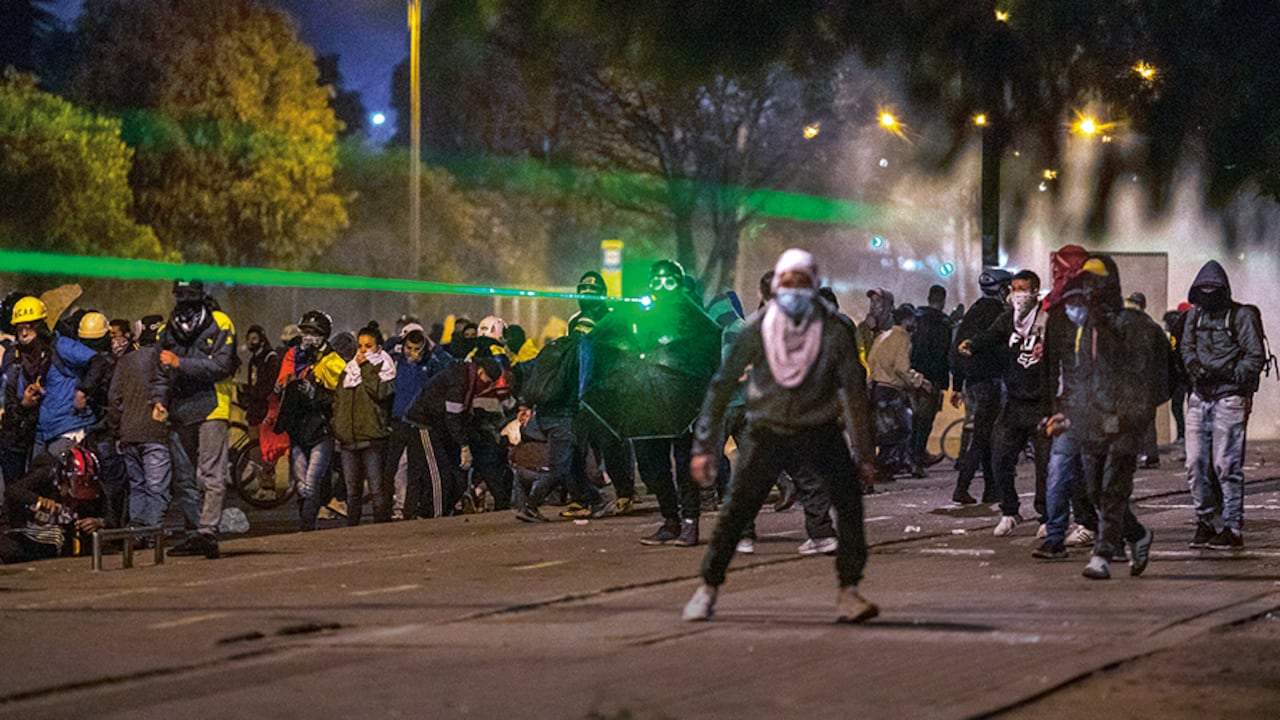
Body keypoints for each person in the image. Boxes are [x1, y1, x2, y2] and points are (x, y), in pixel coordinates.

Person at [683, 249, 879, 623]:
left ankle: (849, 591)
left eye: (801, 283)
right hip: (766, 430)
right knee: (735, 511)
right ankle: (707, 588)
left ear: (815, 285)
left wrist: (864, 454)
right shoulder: (756, 328)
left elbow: (853, 393)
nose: (793, 290)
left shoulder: (835, 330)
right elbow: (722, 386)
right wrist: (705, 447)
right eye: (787, 283)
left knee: (850, 509)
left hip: (819, 430)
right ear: (775, 286)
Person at [1048, 257, 1160, 580]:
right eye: (1087, 280)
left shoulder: (1132, 324)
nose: (1091, 287)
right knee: (1095, 489)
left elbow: (1141, 377)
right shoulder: (1088, 328)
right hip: (1092, 421)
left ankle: (1103, 554)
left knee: (1113, 488)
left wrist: (1127, 415)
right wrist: (1068, 414)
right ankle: (1137, 535)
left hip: (1124, 421)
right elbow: (1082, 375)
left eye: (1096, 280)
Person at [1181, 260, 1266, 550]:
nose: (1207, 296)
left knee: (1226, 465)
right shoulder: (1196, 316)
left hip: (1230, 397)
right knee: (1195, 464)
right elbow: (1186, 348)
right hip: (1201, 395)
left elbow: (1255, 356)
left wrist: (1230, 374)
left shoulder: (1240, 317)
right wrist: (1196, 370)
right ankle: (1207, 522)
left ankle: (1231, 526)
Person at [960, 270, 1052, 537]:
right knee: (999, 456)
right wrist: (971, 345)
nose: (1017, 294)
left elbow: (1064, 347)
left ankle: (1046, 516)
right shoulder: (1008, 319)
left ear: (1035, 290)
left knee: (1044, 466)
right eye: (1013, 288)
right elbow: (990, 336)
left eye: (1022, 288)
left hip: (1041, 403)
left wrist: (1049, 348)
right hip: (1014, 402)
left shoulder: (1049, 319)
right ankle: (1009, 511)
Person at [157, 281, 237, 559]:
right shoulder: (172, 324)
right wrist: (159, 399)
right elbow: (161, 366)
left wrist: (181, 364)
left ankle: (207, 532)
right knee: (184, 477)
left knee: (211, 475)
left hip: (212, 406)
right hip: (180, 408)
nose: (182, 302)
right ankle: (195, 533)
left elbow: (222, 365)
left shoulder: (220, 322)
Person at [634, 260, 702, 547]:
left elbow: (702, 355)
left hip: (684, 401)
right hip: (651, 400)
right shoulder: (644, 316)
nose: (662, 287)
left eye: (669, 281)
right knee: (653, 465)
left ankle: (690, 522)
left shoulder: (694, 316)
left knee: (686, 464)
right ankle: (670, 519)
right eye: (657, 281)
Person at [271, 310, 346, 531]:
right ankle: (306, 525)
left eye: (313, 333)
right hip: (298, 429)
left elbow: (339, 398)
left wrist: (316, 393)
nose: (308, 337)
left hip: (321, 431)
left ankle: (307, 527)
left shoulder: (334, 362)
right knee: (301, 484)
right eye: (305, 332)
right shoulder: (295, 356)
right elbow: (282, 386)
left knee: (312, 482)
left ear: (323, 335)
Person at [407, 355, 504, 518]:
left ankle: (438, 511)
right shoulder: (459, 381)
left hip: (440, 428)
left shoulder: (466, 379)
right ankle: (435, 516)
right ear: (481, 372)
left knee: (454, 477)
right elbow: (453, 416)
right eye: (487, 381)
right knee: (439, 476)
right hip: (424, 424)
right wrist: (463, 444)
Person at [949, 268, 1012, 505]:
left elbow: (956, 348)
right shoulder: (998, 313)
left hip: (973, 382)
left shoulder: (974, 310)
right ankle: (962, 487)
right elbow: (1002, 349)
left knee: (985, 435)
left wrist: (957, 383)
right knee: (983, 437)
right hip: (990, 382)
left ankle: (990, 489)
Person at [108, 316, 171, 531]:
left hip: (129, 434)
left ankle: (136, 535)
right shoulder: (165, 360)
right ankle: (153, 536)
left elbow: (114, 398)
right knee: (157, 489)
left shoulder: (126, 361)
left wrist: (118, 427)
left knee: (137, 487)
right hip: (156, 435)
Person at [333, 322, 396, 525]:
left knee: (377, 490)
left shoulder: (385, 368)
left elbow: (380, 392)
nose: (362, 351)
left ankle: (380, 529)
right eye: (360, 346)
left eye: (368, 346)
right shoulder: (349, 369)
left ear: (378, 348)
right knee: (352, 492)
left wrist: (366, 368)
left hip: (372, 438)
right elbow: (339, 399)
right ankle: (353, 530)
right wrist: (338, 425)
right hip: (348, 439)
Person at [865, 296, 927, 483]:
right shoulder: (902, 338)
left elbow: (871, 360)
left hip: (876, 388)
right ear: (907, 320)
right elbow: (901, 368)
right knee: (901, 429)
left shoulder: (883, 336)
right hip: (890, 391)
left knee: (885, 430)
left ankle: (884, 467)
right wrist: (919, 381)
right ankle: (883, 467)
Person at [910, 285, 952, 475]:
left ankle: (910, 456)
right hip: (932, 377)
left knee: (914, 418)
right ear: (942, 300)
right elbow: (945, 353)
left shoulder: (915, 319)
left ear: (928, 298)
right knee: (925, 420)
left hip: (912, 374)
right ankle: (917, 460)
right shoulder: (943, 323)